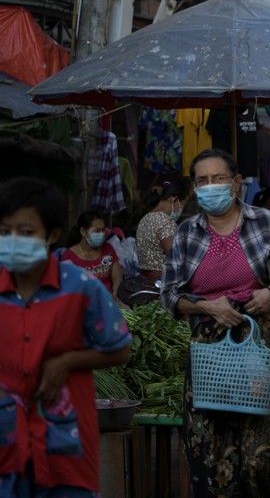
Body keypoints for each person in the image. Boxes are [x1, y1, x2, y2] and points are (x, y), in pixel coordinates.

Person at [161, 148, 270, 497]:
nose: (210, 186)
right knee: (206, 448)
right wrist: (208, 308)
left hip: (263, 342)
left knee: (260, 452)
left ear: (237, 182)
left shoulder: (267, 224)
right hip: (209, 351)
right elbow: (168, 294)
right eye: (202, 181)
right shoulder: (185, 233)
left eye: (219, 178)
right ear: (195, 188)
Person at [0, 178, 133, 496]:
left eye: (26, 232)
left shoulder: (80, 287)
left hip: (66, 447)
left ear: (53, 235)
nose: (13, 240)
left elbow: (121, 349)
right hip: (6, 446)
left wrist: (68, 361)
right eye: (5, 232)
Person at [135, 180, 191, 281]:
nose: (181, 210)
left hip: (145, 279)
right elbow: (176, 258)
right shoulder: (166, 222)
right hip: (163, 281)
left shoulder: (144, 219)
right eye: (182, 206)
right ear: (174, 200)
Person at [60, 211, 124, 297]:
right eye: (97, 231)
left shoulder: (108, 249)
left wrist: (115, 294)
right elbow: (68, 288)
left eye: (103, 230)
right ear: (83, 231)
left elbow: (117, 277)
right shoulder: (69, 257)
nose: (101, 234)